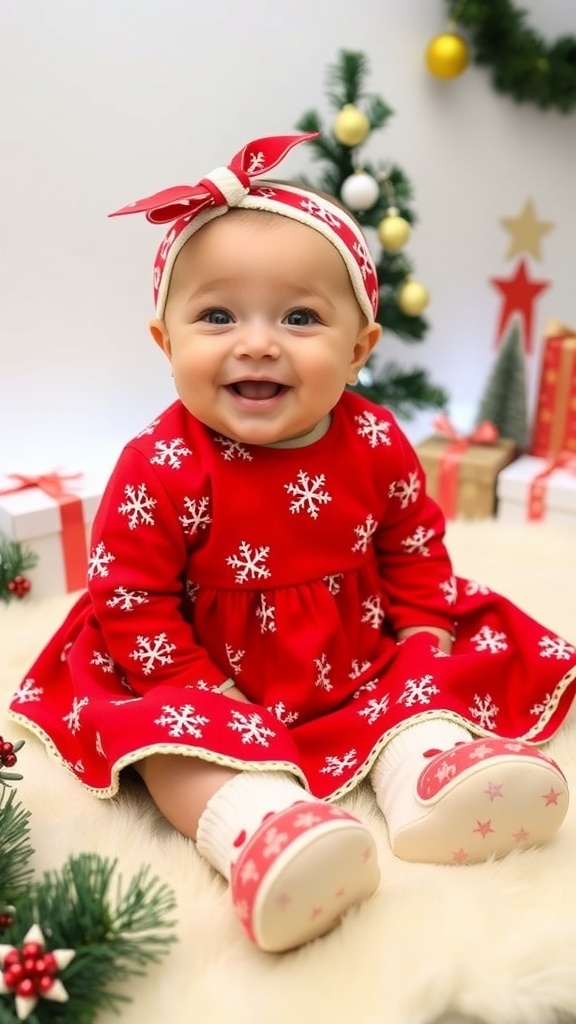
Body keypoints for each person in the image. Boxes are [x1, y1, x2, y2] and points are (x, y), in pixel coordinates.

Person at [10, 133, 576, 955]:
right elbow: (129, 602)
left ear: (359, 348)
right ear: (166, 342)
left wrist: (420, 627)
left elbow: (413, 540)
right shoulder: (159, 465)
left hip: (349, 650)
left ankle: (429, 783)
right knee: (165, 745)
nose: (258, 342)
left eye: (300, 316)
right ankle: (258, 827)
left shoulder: (374, 439)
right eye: (216, 315)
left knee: (420, 682)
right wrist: (197, 687)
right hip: (191, 660)